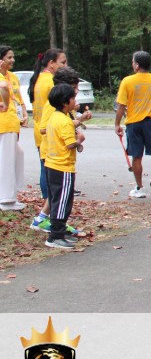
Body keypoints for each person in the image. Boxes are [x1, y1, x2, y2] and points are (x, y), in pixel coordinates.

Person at [30, 67, 90, 236]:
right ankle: (53, 225)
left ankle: (49, 221)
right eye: (74, 88)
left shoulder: (65, 108)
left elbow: (66, 124)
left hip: (59, 154)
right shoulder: (53, 107)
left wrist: (78, 120)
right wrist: (72, 129)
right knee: (58, 193)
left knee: (58, 194)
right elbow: (44, 128)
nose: (76, 91)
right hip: (53, 154)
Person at [115, 51, 151, 199]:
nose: (132, 64)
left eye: (133, 62)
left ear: (137, 65)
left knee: (136, 156)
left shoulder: (127, 81)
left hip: (133, 123)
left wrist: (117, 124)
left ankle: (139, 188)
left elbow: (121, 106)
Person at [42, 83, 85, 250]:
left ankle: (59, 232)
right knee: (63, 202)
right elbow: (70, 144)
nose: (75, 101)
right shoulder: (65, 122)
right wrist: (79, 140)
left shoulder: (54, 117)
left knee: (56, 200)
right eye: (72, 98)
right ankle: (56, 236)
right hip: (63, 167)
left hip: (51, 165)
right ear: (64, 102)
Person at [28, 49, 66, 225]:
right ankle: (48, 209)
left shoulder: (39, 78)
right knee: (49, 172)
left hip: (40, 129)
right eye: (62, 62)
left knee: (45, 169)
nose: (65, 65)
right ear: (51, 63)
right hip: (48, 131)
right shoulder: (50, 81)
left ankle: (49, 209)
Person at [0, 46, 28, 211]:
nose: (13, 60)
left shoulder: (13, 76)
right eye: (9, 57)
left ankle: (12, 194)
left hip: (13, 121)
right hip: (4, 123)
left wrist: (24, 113)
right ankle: (6, 198)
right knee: (6, 160)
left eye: (13, 57)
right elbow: (3, 88)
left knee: (17, 155)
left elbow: (18, 97)